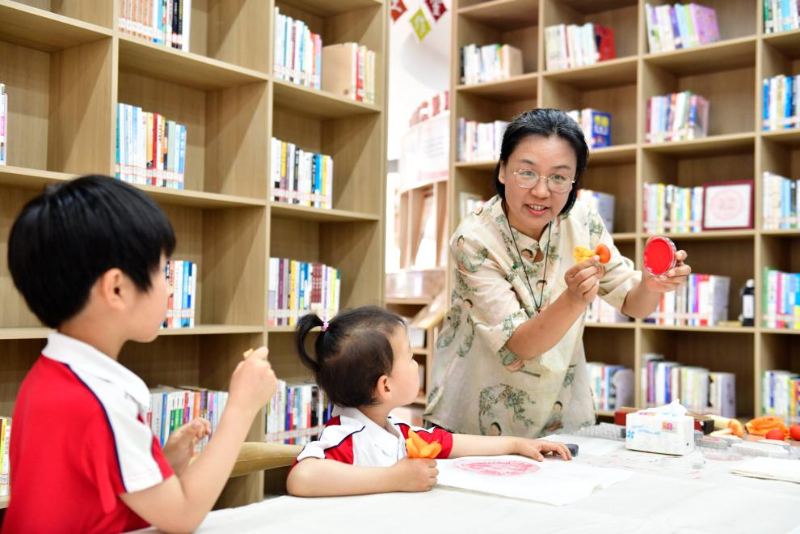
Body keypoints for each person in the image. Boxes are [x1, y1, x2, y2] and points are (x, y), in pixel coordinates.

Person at [3, 176, 278, 533]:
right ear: (117, 288)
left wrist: (164, 463)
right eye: (163, 270)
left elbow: (97, 496)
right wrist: (241, 406)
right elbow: (181, 516)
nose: (170, 288)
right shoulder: (100, 401)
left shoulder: (47, 377)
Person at [425, 108, 691, 438]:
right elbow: (520, 345)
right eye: (527, 173)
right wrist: (574, 299)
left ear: (574, 180)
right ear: (503, 170)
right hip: (474, 421)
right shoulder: (474, 240)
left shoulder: (583, 221)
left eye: (559, 177)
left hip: (559, 415)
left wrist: (651, 284)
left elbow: (633, 304)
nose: (541, 191)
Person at [286, 307, 571, 497]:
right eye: (410, 357)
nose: (416, 364)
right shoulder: (347, 435)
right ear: (385, 386)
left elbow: (453, 443)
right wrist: (393, 478)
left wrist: (517, 444)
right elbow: (301, 477)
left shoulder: (400, 431)